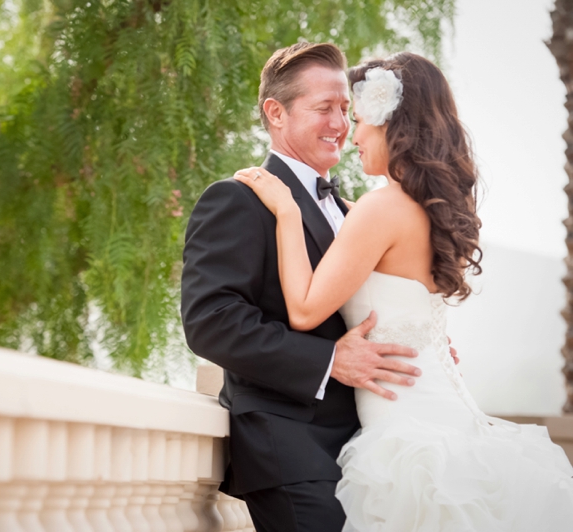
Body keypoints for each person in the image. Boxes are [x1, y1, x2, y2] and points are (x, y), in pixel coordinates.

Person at [233, 52, 573, 531]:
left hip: (408, 434)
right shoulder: (419, 208)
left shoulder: (380, 210)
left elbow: (307, 311)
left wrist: (288, 212)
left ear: (391, 122)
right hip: (441, 410)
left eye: (358, 120)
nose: (351, 135)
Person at [181, 42, 437, 531]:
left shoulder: (353, 211)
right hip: (290, 450)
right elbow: (210, 322)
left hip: (368, 447)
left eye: (346, 109)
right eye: (324, 108)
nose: (341, 124)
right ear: (275, 113)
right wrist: (328, 361)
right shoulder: (236, 200)